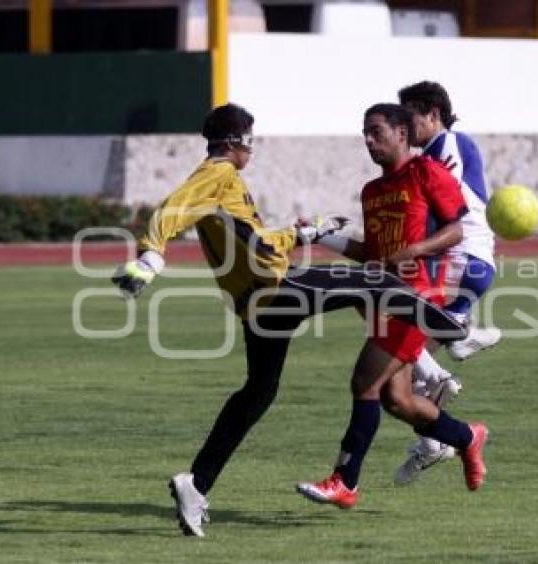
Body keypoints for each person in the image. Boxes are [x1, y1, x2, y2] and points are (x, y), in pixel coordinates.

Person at [111, 103, 469, 538]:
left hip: (253, 305)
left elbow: (255, 241)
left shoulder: (221, 181)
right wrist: (151, 253)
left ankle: (197, 484)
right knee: (373, 280)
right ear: (236, 142)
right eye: (251, 141)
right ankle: (452, 329)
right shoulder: (219, 173)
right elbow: (174, 208)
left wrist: (306, 234)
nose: (252, 151)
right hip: (276, 291)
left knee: (257, 394)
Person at [295, 103, 489, 509]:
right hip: (384, 296)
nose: (368, 140)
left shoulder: (427, 172)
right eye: (365, 132)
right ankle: (468, 437)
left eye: (376, 131)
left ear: (402, 133)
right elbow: (372, 252)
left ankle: (345, 481)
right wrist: (321, 237)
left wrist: (416, 250)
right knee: (396, 399)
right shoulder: (373, 191)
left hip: (418, 298)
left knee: (364, 381)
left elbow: (457, 230)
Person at [392, 81, 501, 485]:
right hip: (469, 261)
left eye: (410, 118)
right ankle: (434, 441)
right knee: (401, 368)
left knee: (386, 310)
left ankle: (458, 336)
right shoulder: (431, 154)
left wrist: (412, 244)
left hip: (461, 257)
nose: (404, 127)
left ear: (433, 114)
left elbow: (445, 202)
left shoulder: (449, 143)